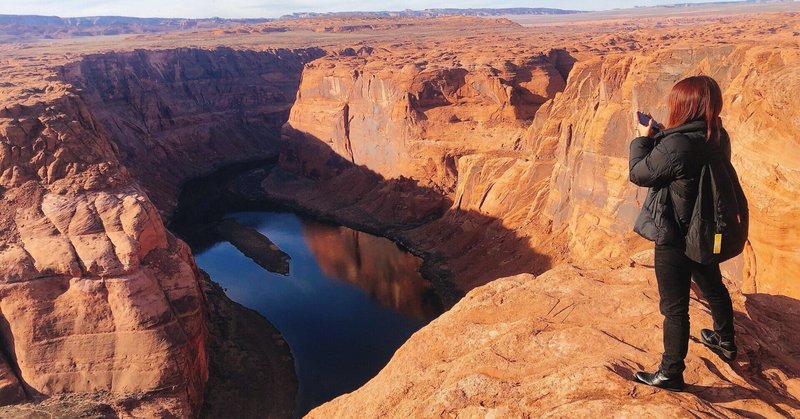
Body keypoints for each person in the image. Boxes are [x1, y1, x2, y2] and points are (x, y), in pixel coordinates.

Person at [628, 75, 738, 392]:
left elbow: (640, 173)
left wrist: (643, 138)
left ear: (683, 106)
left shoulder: (675, 145)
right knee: (713, 286)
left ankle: (671, 372)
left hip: (674, 236)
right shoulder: (718, 136)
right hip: (704, 230)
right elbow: (688, 159)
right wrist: (664, 137)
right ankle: (725, 341)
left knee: (675, 308)